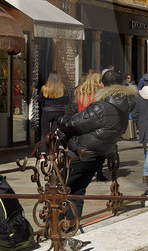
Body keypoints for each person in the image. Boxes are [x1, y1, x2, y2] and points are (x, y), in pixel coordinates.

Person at [52, 69, 137, 227]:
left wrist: (60, 120)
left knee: (59, 187)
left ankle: (54, 227)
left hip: (83, 152)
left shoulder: (101, 107)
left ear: (103, 85)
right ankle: (71, 224)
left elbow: (74, 123)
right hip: (99, 153)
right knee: (77, 189)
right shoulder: (125, 107)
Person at [37, 73, 70, 141]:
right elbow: (66, 101)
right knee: (57, 132)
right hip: (59, 111)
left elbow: (39, 100)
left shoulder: (44, 88)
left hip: (47, 111)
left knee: (45, 132)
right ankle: (56, 150)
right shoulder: (62, 88)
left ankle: (44, 150)